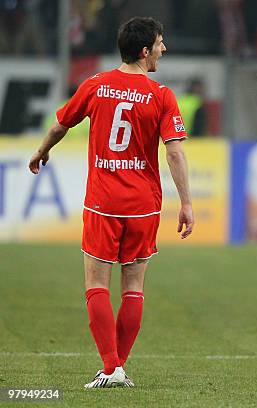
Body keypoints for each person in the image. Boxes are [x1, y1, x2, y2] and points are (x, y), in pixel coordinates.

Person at [28, 16, 194, 388]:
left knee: (96, 284)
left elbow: (59, 125)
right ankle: (117, 368)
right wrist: (186, 202)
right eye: (160, 43)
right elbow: (175, 154)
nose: (163, 49)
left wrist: (41, 152)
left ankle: (110, 367)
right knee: (133, 286)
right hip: (144, 205)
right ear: (144, 50)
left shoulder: (96, 85)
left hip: (103, 201)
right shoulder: (161, 95)